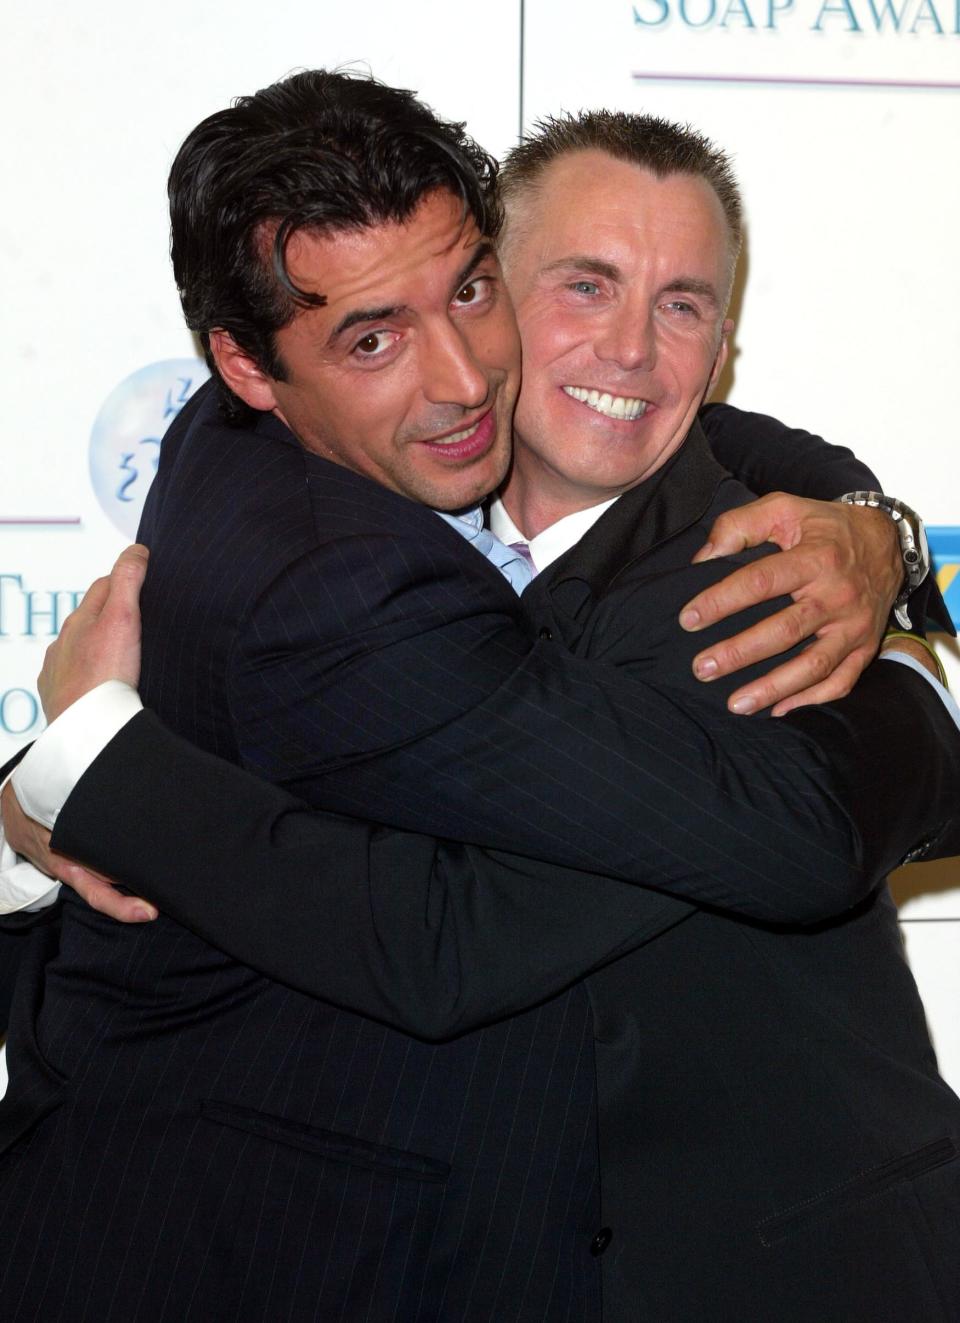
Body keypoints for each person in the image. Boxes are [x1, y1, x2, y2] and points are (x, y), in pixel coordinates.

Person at [1, 73, 958, 1322]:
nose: (627, 348)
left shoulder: (773, 580)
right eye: (584, 285)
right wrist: (51, 790)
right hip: (321, 1249)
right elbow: (437, 936)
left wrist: (886, 551)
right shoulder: (303, 532)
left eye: (682, 304)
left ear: (721, 349)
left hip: (792, 1260)